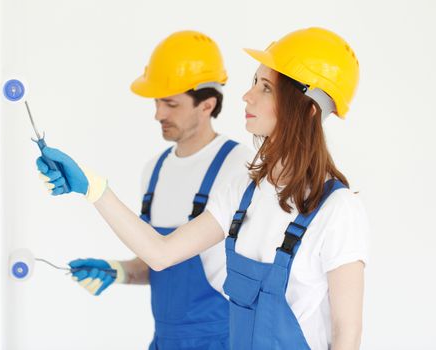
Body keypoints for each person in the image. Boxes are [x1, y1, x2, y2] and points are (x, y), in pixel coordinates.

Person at [37, 27, 369, 350]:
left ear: (308, 110)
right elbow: (161, 253)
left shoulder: (338, 210)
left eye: (266, 87)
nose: (246, 95)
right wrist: (93, 188)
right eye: (254, 82)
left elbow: (347, 333)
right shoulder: (242, 191)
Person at [62, 30, 253, 350]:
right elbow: (159, 258)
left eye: (170, 103)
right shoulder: (154, 170)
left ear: (207, 105)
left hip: (220, 341)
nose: (158, 114)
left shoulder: (239, 166)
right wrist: (119, 271)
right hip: (165, 342)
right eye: (156, 101)